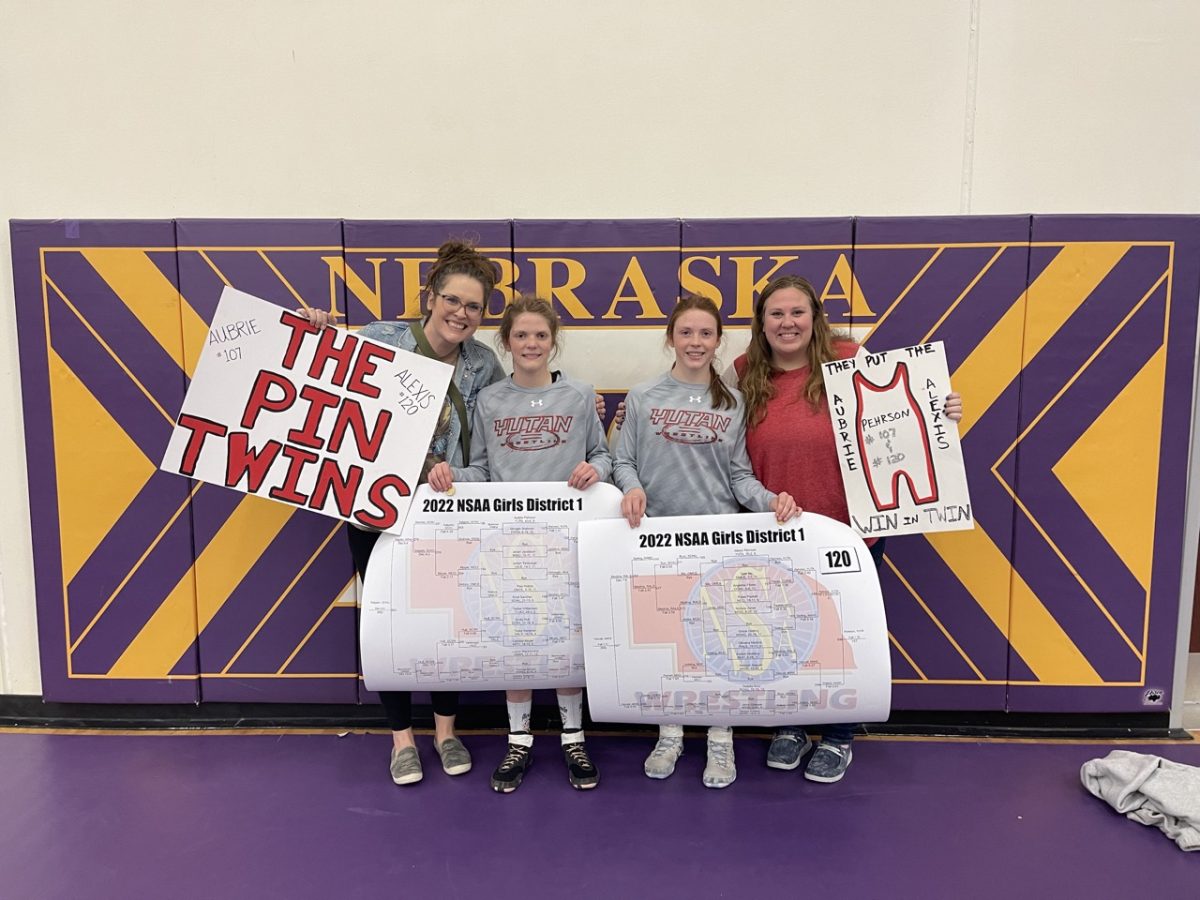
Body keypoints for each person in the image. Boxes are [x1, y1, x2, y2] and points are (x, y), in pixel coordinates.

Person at [730, 274, 962, 784]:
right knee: (785, 633)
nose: (787, 322)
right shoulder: (746, 371)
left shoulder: (847, 358)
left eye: (796, 312)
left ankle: (838, 735)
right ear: (761, 323)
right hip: (777, 530)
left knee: (844, 636)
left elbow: (901, 417)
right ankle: (791, 726)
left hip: (850, 530)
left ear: (814, 316)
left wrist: (941, 412)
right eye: (776, 314)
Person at [303, 240, 504, 786]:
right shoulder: (380, 339)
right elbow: (314, 375)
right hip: (373, 506)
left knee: (445, 616)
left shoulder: (482, 363)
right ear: (430, 297)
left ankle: (445, 731)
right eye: (453, 300)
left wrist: (574, 403)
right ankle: (400, 740)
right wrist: (311, 331)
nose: (462, 313)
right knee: (387, 617)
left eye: (474, 307)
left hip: (444, 510)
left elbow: (505, 419)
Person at [612, 293, 798, 789]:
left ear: (719, 342)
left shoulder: (731, 402)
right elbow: (621, 460)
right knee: (669, 640)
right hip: (657, 539)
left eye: (706, 334)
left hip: (716, 538)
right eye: (686, 332)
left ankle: (721, 739)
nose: (695, 342)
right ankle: (670, 733)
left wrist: (769, 500)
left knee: (718, 641)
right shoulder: (645, 396)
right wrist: (631, 488)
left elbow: (740, 477)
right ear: (670, 337)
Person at [427, 295, 612, 793]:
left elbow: (603, 455)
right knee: (519, 633)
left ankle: (573, 735)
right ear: (505, 342)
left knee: (565, 635)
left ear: (554, 342)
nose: (531, 343)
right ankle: (519, 739)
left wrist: (596, 468)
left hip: (568, 536)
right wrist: (452, 476)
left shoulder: (578, 394)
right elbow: (483, 470)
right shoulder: (490, 399)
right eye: (521, 335)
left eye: (541, 335)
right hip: (509, 538)